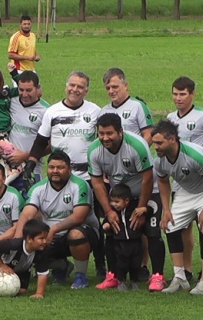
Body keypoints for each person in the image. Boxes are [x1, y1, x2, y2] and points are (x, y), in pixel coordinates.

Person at [22, 70, 106, 279]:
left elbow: (104, 139)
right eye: (72, 85)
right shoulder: (52, 112)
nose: (75, 89)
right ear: (66, 86)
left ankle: (100, 264)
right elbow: (41, 141)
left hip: (88, 178)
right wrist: (31, 164)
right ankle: (61, 264)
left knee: (94, 221)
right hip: (59, 177)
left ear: (86, 90)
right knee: (58, 220)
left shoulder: (95, 111)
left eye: (80, 86)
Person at [88, 113, 166, 292]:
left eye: (109, 133)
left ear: (120, 132)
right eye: (101, 133)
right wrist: (109, 210)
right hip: (120, 197)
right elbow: (97, 182)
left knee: (152, 232)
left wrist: (141, 208)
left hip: (147, 193)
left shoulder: (137, 146)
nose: (105, 138)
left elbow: (147, 179)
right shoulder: (94, 150)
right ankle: (113, 276)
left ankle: (157, 277)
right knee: (112, 230)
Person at [99, 67, 156, 281]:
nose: (112, 91)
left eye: (115, 86)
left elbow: (148, 133)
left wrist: (134, 155)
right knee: (122, 224)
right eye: (108, 88)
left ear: (125, 85)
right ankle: (120, 268)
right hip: (117, 180)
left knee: (140, 224)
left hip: (137, 172)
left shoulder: (137, 106)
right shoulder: (105, 110)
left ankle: (142, 265)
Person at [151, 119, 203, 295]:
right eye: (154, 143)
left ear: (172, 139)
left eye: (159, 143)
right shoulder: (159, 160)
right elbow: (163, 182)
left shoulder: (193, 154)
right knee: (171, 226)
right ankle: (180, 277)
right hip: (186, 192)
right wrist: (166, 210)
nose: (155, 147)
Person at [16, 151, 100, 290]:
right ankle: (61, 266)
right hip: (50, 237)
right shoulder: (38, 188)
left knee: (75, 234)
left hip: (84, 233)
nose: (55, 171)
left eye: (60, 167)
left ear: (69, 168)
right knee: (32, 239)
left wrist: (53, 230)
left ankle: (81, 275)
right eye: (51, 167)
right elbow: (26, 215)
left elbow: (79, 217)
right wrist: (19, 243)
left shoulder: (80, 185)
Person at [167, 76, 203, 282]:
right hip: (179, 182)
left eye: (183, 94)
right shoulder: (170, 118)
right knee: (181, 227)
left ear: (192, 94)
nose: (178, 98)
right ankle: (185, 270)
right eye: (175, 94)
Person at [0, 70, 50, 198]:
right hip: (7, 169)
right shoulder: (11, 101)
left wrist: (25, 156)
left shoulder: (46, 111)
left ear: (38, 88)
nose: (24, 94)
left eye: (29, 90)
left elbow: (51, 144)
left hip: (32, 169)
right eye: (21, 90)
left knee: (31, 208)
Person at [102, 184, 152, 291]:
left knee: (135, 264)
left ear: (126, 201)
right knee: (121, 264)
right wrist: (106, 226)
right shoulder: (113, 212)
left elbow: (151, 211)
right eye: (112, 201)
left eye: (117, 202)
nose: (114, 204)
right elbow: (107, 222)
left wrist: (144, 209)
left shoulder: (134, 208)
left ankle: (134, 281)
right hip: (120, 243)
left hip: (136, 242)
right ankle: (121, 281)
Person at [0, 219, 50, 297]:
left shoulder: (42, 251)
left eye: (46, 238)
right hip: (5, 268)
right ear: (29, 239)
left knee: (22, 291)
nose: (45, 241)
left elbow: (42, 273)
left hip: (23, 271)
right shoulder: (14, 244)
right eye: (41, 238)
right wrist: (1, 265)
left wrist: (39, 293)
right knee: (4, 288)